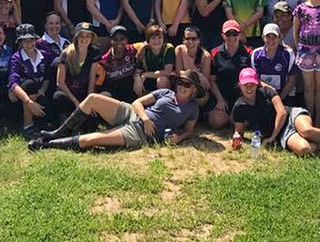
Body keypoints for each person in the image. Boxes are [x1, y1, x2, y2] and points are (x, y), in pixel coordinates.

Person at [28, 69, 203, 152]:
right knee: (93, 99)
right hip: (134, 114)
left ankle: (46, 144)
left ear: (194, 90)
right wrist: (145, 118)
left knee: (91, 139)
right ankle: (57, 133)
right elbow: (137, 102)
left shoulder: (192, 108)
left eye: (187, 85)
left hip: (141, 133)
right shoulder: (165, 92)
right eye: (180, 82)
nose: (182, 86)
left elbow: (189, 130)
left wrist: (178, 137)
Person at [232, 67, 320, 156]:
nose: (249, 88)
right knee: (304, 149)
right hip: (282, 133)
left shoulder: (267, 91)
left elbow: (282, 113)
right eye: (245, 85)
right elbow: (240, 130)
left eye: (252, 84)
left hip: (291, 116)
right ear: (240, 85)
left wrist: (272, 137)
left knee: (306, 130)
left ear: (257, 84)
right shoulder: (239, 106)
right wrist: (237, 137)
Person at [10, 23, 60, 138]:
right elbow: (14, 83)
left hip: (40, 94)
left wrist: (43, 89)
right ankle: (28, 126)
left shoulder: (44, 55)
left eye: (32, 39)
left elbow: (48, 76)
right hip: (22, 100)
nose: (29, 44)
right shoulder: (16, 58)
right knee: (29, 84)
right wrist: (29, 102)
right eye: (25, 40)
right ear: (20, 42)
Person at [51, 22, 101, 128]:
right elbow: (60, 83)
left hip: (83, 93)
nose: (84, 38)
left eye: (87, 35)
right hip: (68, 95)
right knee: (58, 97)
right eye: (81, 35)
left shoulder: (94, 52)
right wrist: (75, 101)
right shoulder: (66, 53)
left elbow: (92, 78)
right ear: (76, 37)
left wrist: (88, 101)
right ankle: (63, 127)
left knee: (92, 124)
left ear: (92, 38)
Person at [208, 20, 253, 130]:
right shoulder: (214, 53)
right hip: (222, 96)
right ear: (222, 35)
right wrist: (220, 99)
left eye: (235, 33)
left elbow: (252, 81)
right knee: (216, 122)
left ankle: (233, 117)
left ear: (240, 34)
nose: (232, 37)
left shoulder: (249, 52)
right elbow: (212, 80)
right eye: (228, 34)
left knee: (242, 123)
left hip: (241, 97)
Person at [250, 23, 298, 105]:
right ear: (263, 38)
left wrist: (279, 99)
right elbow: (255, 79)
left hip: (285, 97)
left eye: (274, 36)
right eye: (268, 36)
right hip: (263, 97)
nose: (271, 40)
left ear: (280, 37)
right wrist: (271, 93)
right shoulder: (255, 54)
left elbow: (292, 80)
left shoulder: (288, 54)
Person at [97, 25, 138, 101]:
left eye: (122, 39)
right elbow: (99, 83)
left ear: (127, 40)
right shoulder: (104, 60)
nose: (119, 42)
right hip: (113, 90)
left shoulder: (133, 49)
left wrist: (138, 76)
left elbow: (147, 44)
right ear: (111, 41)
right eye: (115, 39)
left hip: (130, 88)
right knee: (103, 96)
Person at [174, 25, 211, 106]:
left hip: (197, 88)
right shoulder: (179, 50)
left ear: (199, 40)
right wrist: (197, 74)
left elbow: (205, 83)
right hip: (183, 84)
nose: (190, 42)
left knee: (202, 99)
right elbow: (179, 73)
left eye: (193, 39)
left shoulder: (206, 56)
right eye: (187, 39)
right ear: (183, 40)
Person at [134, 24, 175, 95]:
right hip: (147, 81)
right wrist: (137, 78)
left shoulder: (168, 48)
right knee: (137, 82)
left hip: (162, 80)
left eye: (159, 38)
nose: (156, 41)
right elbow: (137, 71)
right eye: (153, 38)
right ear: (148, 40)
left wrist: (145, 74)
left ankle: (162, 102)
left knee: (162, 80)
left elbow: (167, 72)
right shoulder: (143, 51)